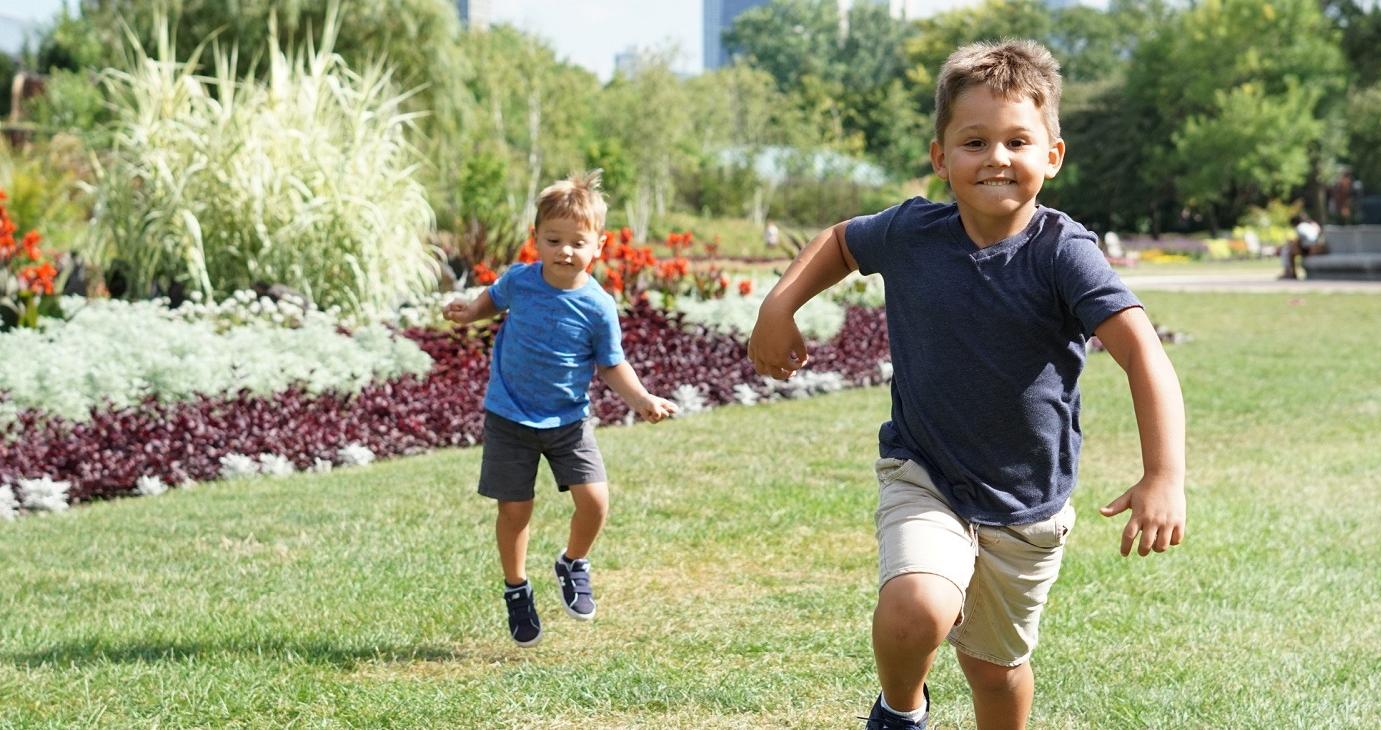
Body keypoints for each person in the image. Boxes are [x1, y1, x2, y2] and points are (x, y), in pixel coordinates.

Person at [748, 40, 1186, 729]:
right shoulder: (913, 231)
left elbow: (1142, 353)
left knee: (993, 669)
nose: (996, 158)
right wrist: (779, 306)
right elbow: (841, 241)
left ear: (1052, 155)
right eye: (974, 142)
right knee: (916, 607)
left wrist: (1163, 474)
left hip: (1027, 503)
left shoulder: (1063, 253)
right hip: (925, 473)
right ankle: (900, 711)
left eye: (1017, 141)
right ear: (940, 156)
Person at [443, 170, 679, 648]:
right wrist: (470, 312)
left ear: (599, 246)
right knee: (515, 509)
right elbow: (493, 299)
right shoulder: (520, 281)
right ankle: (517, 588)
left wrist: (642, 399)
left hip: (568, 421)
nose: (565, 251)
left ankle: (573, 562)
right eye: (553, 240)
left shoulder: (597, 306)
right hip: (509, 416)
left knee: (595, 501)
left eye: (577, 242)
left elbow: (611, 364)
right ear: (536, 239)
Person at [1280, 212, 1322, 279]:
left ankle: (1292, 273)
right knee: (1290, 250)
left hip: (1310, 248)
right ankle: (1291, 273)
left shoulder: (1300, 227)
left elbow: (1300, 240)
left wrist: (1291, 243)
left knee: (1289, 252)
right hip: (1318, 247)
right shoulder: (1309, 225)